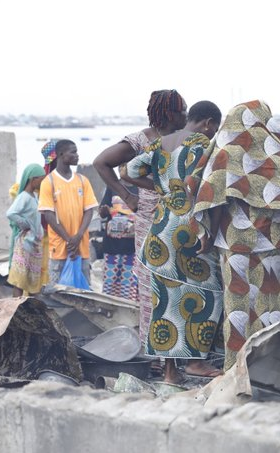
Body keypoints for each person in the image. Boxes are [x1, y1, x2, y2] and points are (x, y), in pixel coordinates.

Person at [193, 100, 280, 371]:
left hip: (235, 242)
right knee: (271, 302)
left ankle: (237, 368)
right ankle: (271, 367)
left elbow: (213, 198)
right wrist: (276, 225)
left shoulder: (226, 151)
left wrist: (208, 235)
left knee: (238, 307)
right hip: (274, 241)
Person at [126, 100, 223, 383]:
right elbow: (211, 193)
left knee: (165, 301)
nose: (213, 133)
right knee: (209, 295)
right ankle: (195, 364)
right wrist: (211, 232)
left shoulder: (161, 143)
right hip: (190, 228)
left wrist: (164, 189)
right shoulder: (204, 146)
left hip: (160, 229)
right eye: (214, 128)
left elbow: (128, 172)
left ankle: (170, 373)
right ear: (207, 123)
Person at [93, 89, 187, 342]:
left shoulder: (184, 140)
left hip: (179, 221)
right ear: (169, 114)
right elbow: (101, 162)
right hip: (151, 221)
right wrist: (127, 196)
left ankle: (175, 349)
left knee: (178, 284)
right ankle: (153, 349)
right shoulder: (140, 141)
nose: (186, 116)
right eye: (182, 112)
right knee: (151, 287)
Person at [38, 139, 99, 285]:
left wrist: (78, 236)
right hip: (59, 247)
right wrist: (68, 239)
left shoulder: (82, 180)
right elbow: (49, 215)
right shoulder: (49, 182)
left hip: (82, 246)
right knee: (57, 292)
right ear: (60, 154)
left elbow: (89, 210)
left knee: (83, 291)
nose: (77, 155)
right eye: (73, 152)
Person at [7, 164, 47, 296]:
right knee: (20, 279)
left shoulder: (34, 196)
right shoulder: (24, 197)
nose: (43, 182)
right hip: (25, 243)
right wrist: (24, 224)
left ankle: (29, 310)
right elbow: (11, 213)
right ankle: (15, 310)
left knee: (31, 278)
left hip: (34, 243)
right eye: (41, 179)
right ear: (32, 179)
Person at [98, 183, 139, 300]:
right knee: (110, 280)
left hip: (133, 246)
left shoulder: (140, 188)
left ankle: (126, 310)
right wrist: (104, 211)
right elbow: (102, 212)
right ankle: (109, 308)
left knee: (129, 282)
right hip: (112, 245)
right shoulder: (112, 187)